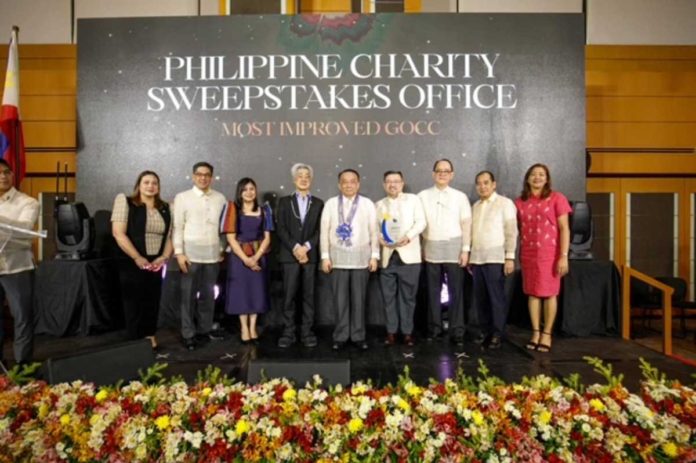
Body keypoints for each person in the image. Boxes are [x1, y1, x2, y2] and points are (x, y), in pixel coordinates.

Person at [111, 170, 173, 349]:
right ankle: (134, 342)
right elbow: (118, 233)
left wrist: (163, 258)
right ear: (138, 185)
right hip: (131, 260)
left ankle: (150, 336)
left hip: (156, 262)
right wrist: (137, 257)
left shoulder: (165, 207)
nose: (150, 186)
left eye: (154, 183)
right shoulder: (126, 202)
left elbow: (171, 236)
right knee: (133, 302)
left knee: (152, 299)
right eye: (146, 182)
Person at [514, 163, 572, 353]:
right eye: (533, 174)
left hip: (551, 254)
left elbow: (564, 228)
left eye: (541, 175)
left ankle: (547, 333)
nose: (537, 178)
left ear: (547, 178)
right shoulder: (520, 202)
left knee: (549, 293)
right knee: (532, 293)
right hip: (528, 253)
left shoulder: (557, 198)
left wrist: (563, 256)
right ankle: (536, 332)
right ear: (527, 178)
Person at [320, 169, 379, 350]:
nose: (348, 184)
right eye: (344, 181)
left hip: (361, 258)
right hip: (337, 259)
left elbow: (374, 232)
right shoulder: (330, 204)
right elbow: (324, 231)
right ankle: (341, 335)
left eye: (352, 181)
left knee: (359, 300)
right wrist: (325, 256)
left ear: (358, 184)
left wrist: (375, 256)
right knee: (340, 300)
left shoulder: (368, 204)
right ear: (339, 184)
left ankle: (358, 335)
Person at [172, 161, 227, 351]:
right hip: (190, 256)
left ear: (211, 177)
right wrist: (179, 253)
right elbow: (178, 227)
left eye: (207, 175)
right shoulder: (182, 198)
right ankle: (188, 334)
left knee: (208, 296)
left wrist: (222, 249)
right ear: (193, 176)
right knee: (187, 297)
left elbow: (223, 229)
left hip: (212, 256)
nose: (203, 178)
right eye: (199, 174)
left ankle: (204, 331)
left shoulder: (220, 198)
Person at [418, 159, 472, 346]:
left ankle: (457, 330)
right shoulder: (422, 196)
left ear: (452, 174)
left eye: (446, 171)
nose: (442, 173)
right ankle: (434, 328)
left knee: (456, 291)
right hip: (431, 246)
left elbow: (466, 224)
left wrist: (465, 250)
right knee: (433, 291)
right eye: (439, 171)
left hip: (454, 247)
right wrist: (421, 249)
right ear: (433, 174)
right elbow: (418, 224)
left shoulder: (460, 196)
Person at [275, 164, 324, 348]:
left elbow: (321, 229)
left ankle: (307, 332)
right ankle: (288, 333)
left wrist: (306, 247)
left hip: (310, 257)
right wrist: (296, 248)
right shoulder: (285, 202)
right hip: (290, 256)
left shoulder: (319, 203)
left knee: (308, 297)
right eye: (300, 176)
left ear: (311, 180)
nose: (303, 179)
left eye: (307, 176)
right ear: (294, 179)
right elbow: (281, 228)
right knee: (289, 296)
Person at [376, 170, 426, 346]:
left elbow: (421, 222)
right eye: (389, 181)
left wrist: (409, 236)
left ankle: (407, 332)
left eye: (396, 181)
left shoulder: (413, 200)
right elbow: (375, 229)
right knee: (388, 298)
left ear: (402, 183)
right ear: (384, 185)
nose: (392, 184)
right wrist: (379, 238)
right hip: (388, 257)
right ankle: (391, 332)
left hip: (409, 256)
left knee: (408, 298)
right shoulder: (379, 205)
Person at [469, 171, 517, 350]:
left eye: (486, 183)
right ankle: (485, 330)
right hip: (477, 259)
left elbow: (511, 231)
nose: (482, 186)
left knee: (496, 298)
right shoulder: (475, 206)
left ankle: (498, 333)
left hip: (496, 258)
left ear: (494, 184)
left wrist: (510, 256)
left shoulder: (505, 204)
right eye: (479, 183)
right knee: (481, 299)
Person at [220, 178, 272, 344]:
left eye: (252, 189)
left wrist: (256, 257)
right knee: (242, 293)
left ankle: (253, 327)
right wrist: (245, 259)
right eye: (245, 189)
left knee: (256, 292)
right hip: (238, 258)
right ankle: (244, 328)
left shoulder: (264, 211)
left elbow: (267, 237)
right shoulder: (233, 209)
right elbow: (231, 238)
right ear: (240, 192)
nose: (249, 192)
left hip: (259, 257)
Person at [0, 159, 39, 365]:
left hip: (18, 267)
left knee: (22, 317)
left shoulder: (28, 202)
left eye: (7, 172)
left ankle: (23, 366)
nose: (3, 176)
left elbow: (25, 233)